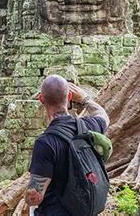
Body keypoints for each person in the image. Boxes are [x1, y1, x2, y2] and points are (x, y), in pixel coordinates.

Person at [25, 75, 110, 216]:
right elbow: (104, 116)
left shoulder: (45, 142)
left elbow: (34, 198)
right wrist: (84, 98)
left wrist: (27, 195)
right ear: (69, 96)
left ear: (41, 99)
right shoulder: (88, 127)